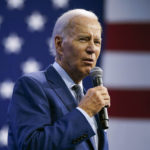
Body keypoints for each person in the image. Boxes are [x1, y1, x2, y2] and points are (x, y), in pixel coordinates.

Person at [8, 9, 110, 150]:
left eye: (97, 42)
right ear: (59, 44)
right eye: (83, 39)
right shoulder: (32, 85)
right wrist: (84, 113)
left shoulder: (90, 100)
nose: (92, 49)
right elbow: (31, 146)